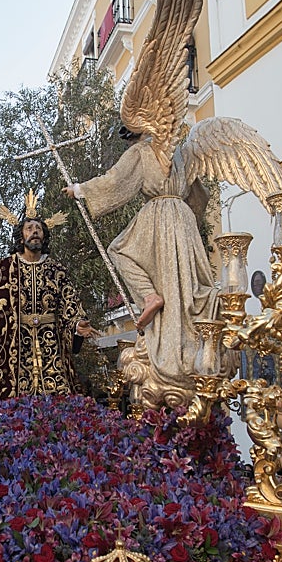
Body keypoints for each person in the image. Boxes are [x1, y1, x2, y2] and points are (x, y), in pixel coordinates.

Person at [65, 127, 217, 396]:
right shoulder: (180, 154)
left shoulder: (142, 151)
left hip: (159, 212)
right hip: (184, 221)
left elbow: (117, 181)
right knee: (180, 279)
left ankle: (149, 296)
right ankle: (181, 329)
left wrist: (80, 190)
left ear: (133, 135)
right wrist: (187, 219)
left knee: (119, 250)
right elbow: (199, 196)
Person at [0, 213, 97, 399]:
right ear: (21, 236)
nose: (35, 232)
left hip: (51, 348)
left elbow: (70, 306)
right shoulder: (3, 269)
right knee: (13, 404)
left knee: (59, 403)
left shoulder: (57, 270)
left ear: (44, 236)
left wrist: (77, 326)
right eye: (29, 229)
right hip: (14, 348)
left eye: (39, 229)